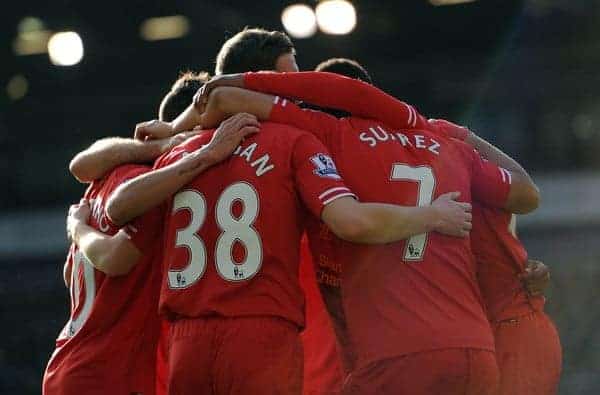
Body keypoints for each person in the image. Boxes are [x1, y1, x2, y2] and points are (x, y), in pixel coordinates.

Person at [154, 62, 541, 394]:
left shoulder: (331, 136)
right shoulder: (445, 143)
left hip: (395, 356)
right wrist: (467, 136)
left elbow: (225, 100)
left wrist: (177, 130)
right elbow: (526, 194)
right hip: (474, 352)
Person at [43, 72, 224, 395]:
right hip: (109, 374)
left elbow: (71, 273)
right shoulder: (150, 190)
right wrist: (79, 228)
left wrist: (79, 229)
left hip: (68, 363)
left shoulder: (104, 179)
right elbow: (116, 258)